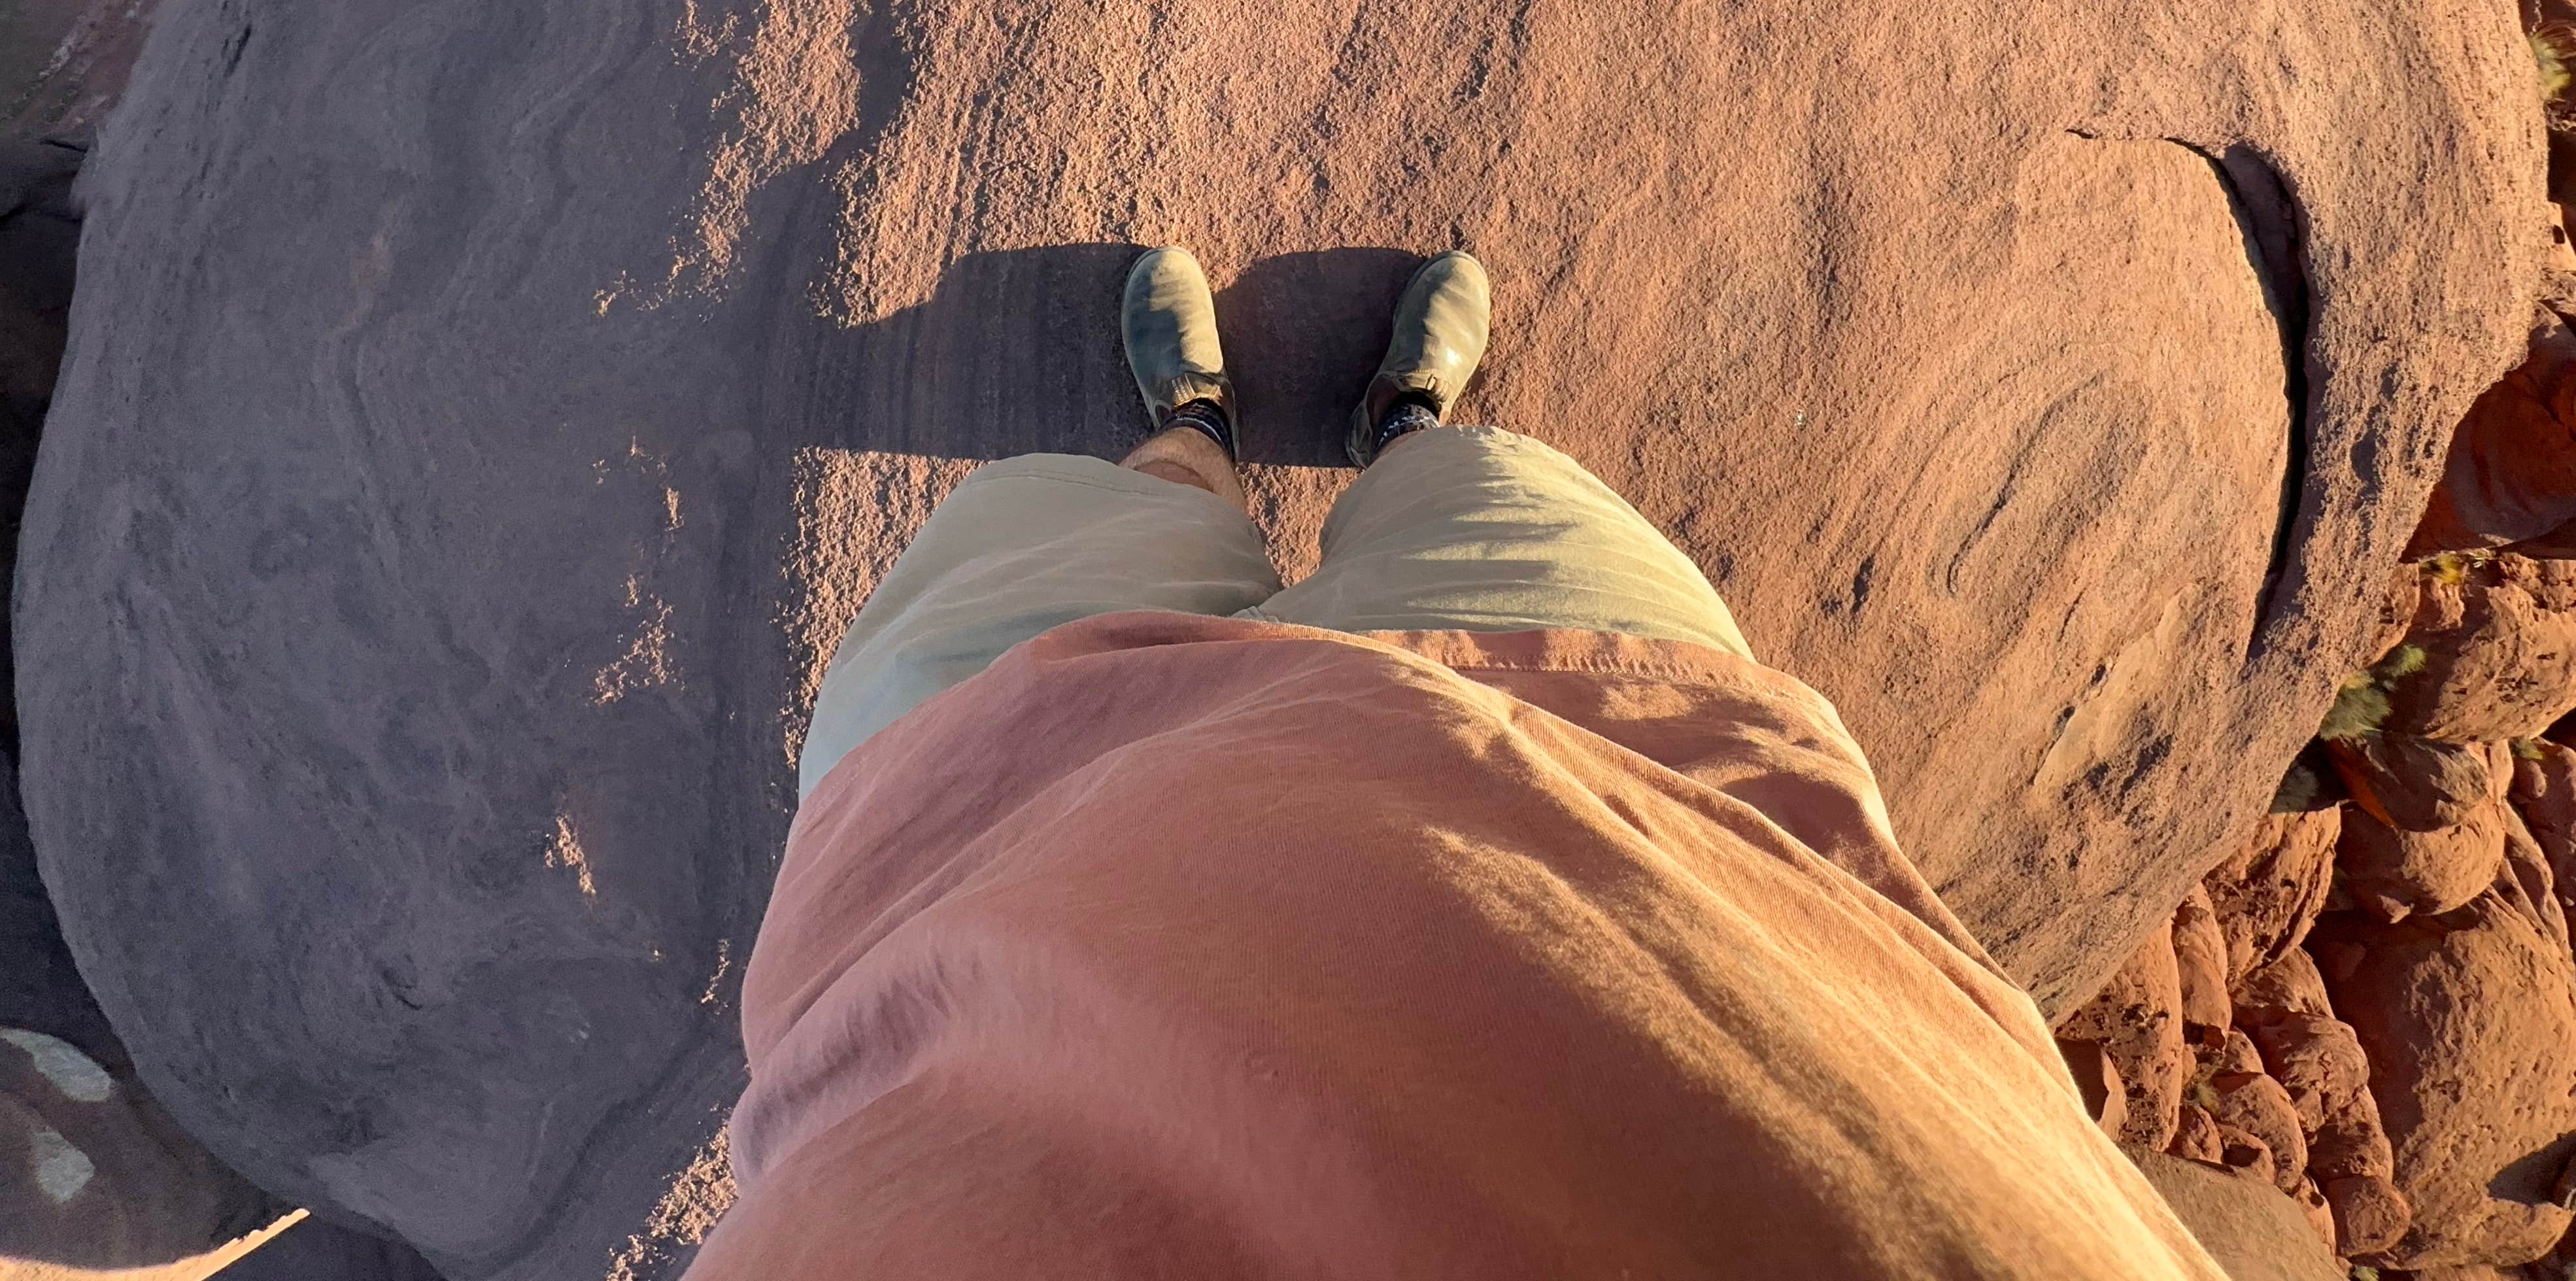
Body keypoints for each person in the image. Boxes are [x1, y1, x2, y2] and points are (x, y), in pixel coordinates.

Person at [687, 250, 2235, 1278]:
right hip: (1621, 754)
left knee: (1108, 517)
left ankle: (1192, 437)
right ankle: (1406, 429)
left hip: (978, 817)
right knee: (1498, 483)